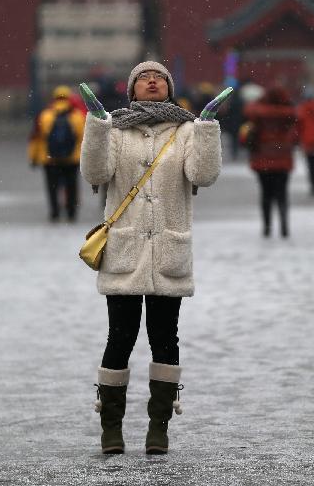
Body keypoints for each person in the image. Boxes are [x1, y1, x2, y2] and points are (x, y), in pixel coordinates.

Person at [79, 60, 228, 455]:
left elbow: (203, 175)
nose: (151, 81)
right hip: (125, 251)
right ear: (131, 88)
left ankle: (158, 427)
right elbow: (95, 172)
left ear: (169, 88)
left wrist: (207, 128)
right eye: (144, 78)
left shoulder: (185, 130)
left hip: (167, 251)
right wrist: (96, 125)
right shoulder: (115, 129)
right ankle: (111, 427)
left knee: (166, 340)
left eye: (159, 78)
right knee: (119, 338)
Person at [240, 86, 298, 238]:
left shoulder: (258, 113)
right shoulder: (288, 114)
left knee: (266, 194)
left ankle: (267, 227)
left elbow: (248, 113)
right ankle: (284, 226)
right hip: (283, 159)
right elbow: (295, 132)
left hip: (263, 159)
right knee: (282, 194)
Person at [28, 85, 85, 222]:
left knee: (52, 186)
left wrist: (33, 157)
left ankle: (54, 212)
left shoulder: (45, 115)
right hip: (72, 158)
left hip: (49, 158)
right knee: (71, 186)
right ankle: (71, 212)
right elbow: (83, 137)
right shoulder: (77, 116)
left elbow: (36, 137)